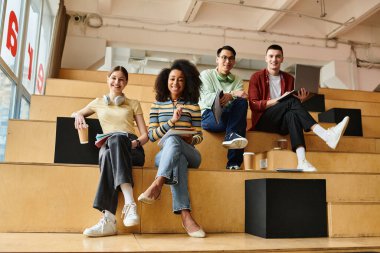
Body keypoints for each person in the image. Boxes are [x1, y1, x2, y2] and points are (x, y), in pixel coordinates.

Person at [72, 66, 148, 237]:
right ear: (108, 79)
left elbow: (145, 135)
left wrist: (135, 143)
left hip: (131, 147)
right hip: (108, 147)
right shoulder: (98, 102)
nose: (117, 82)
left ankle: (113, 216)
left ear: (126, 82)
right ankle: (116, 215)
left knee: (116, 141)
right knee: (108, 151)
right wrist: (78, 114)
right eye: (113, 78)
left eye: (121, 79)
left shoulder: (133, 103)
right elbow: (78, 113)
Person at [248, 44, 349, 171]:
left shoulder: (289, 79)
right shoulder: (256, 77)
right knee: (290, 102)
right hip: (264, 120)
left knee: (293, 114)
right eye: (271, 56)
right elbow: (254, 104)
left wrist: (300, 100)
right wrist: (278, 100)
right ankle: (326, 135)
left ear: (282, 59)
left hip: (282, 122)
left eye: (278, 56)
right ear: (266, 58)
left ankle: (302, 161)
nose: (274, 59)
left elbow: (293, 107)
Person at [138, 59, 206, 238]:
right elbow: (152, 136)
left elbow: (200, 136)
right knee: (177, 155)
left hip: (191, 153)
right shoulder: (156, 106)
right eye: (172, 79)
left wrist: (191, 138)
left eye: (181, 80)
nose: (175, 83)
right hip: (165, 156)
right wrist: (171, 123)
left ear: (187, 83)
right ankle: (185, 215)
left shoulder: (193, 106)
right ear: (165, 81)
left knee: (176, 143)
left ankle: (157, 184)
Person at [199, 45, 249, 170]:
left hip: (228, 116)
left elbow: (239, 100)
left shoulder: (237, 79)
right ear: (217, 59)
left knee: (242, 103)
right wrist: (231, 95)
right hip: (208, 116)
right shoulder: (206, 75)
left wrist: (228, 97)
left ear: (234, 62)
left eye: (231, 59)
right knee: (239, 123)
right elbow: (207, 99)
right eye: (224, 58)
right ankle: (234, 161)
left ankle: (233, 164)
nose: (227, 61)